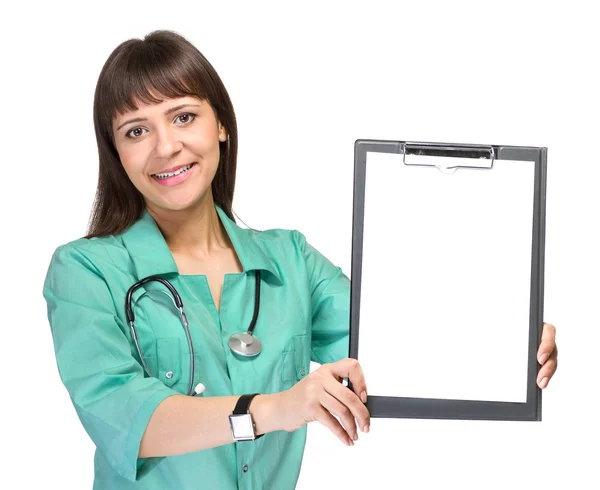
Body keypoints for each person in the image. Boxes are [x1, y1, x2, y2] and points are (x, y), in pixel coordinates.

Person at [42, 30, 558, 489]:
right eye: (136, 130)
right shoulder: (85, 272)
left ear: (220, 124)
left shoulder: (290, 260)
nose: (165, 146)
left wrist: (511, 344)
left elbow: (404, 344)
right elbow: (124, 416)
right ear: (116, 152)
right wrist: (273, 409)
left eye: (183, 116)